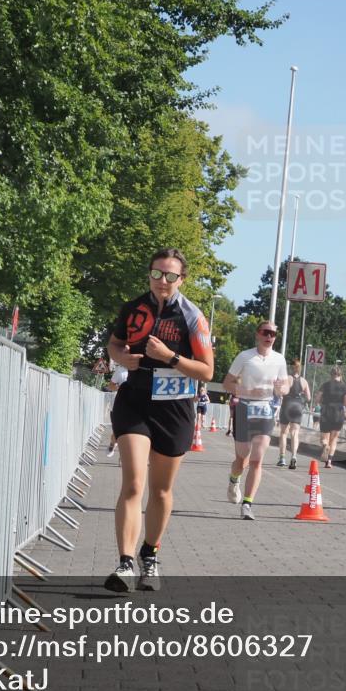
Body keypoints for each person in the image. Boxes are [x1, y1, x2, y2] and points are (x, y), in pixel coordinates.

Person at [103, 248, 214, 592]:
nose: (161, 281)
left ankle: (149, 555)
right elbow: (114, 345)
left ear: (181, 279)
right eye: (156, 273)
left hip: (174, 407)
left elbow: (207, 371)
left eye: (170, 276)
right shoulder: (133, 308)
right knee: (134, 483)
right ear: (149, 274)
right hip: (135, 401)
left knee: (161, 490)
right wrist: (123, 359)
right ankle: (125, 563)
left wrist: (170, 357)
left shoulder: (192, 316)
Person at [223, 321, 289, 520]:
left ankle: (247, 504)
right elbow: (227, 383)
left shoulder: (279, 359)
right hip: (244, 407)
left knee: (257, 459)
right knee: (242, 459)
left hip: (266, 409)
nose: (269, 337)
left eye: (273, 334)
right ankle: (234, 480)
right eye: (265, 332)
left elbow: (285, 387)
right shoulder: (245, 356)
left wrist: (281, 389)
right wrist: (247, 391)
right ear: (257, 334)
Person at [276, 359, 310, 469]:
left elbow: (281, 392)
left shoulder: (287, 379)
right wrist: (301, 398)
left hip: (287, 405)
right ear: (300, 369)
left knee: (284, 433)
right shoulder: (304, 381)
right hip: (298, 406)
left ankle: (282, 458)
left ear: (291, 367)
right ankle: (294, 456)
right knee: (295, 433)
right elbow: (309, 397)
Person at [317, 366, 346, 468]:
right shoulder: (344, 387)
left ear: (331, 375)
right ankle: (329, 461)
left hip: (326, 412)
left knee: (324, 438)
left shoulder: (325, 385)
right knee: (334, 439)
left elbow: (317, 399)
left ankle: (325, 445)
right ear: (340, 375)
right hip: (338, 414)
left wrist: (323, 402)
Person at [105, 365, 128, 458]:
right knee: (117, 432)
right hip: (118, 407)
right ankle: (112, 443)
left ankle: (124, 458)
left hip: (135, 408)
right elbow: (110, 386)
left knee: (130, 434)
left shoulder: (143, 369)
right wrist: (121, 388)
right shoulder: (121, 370)